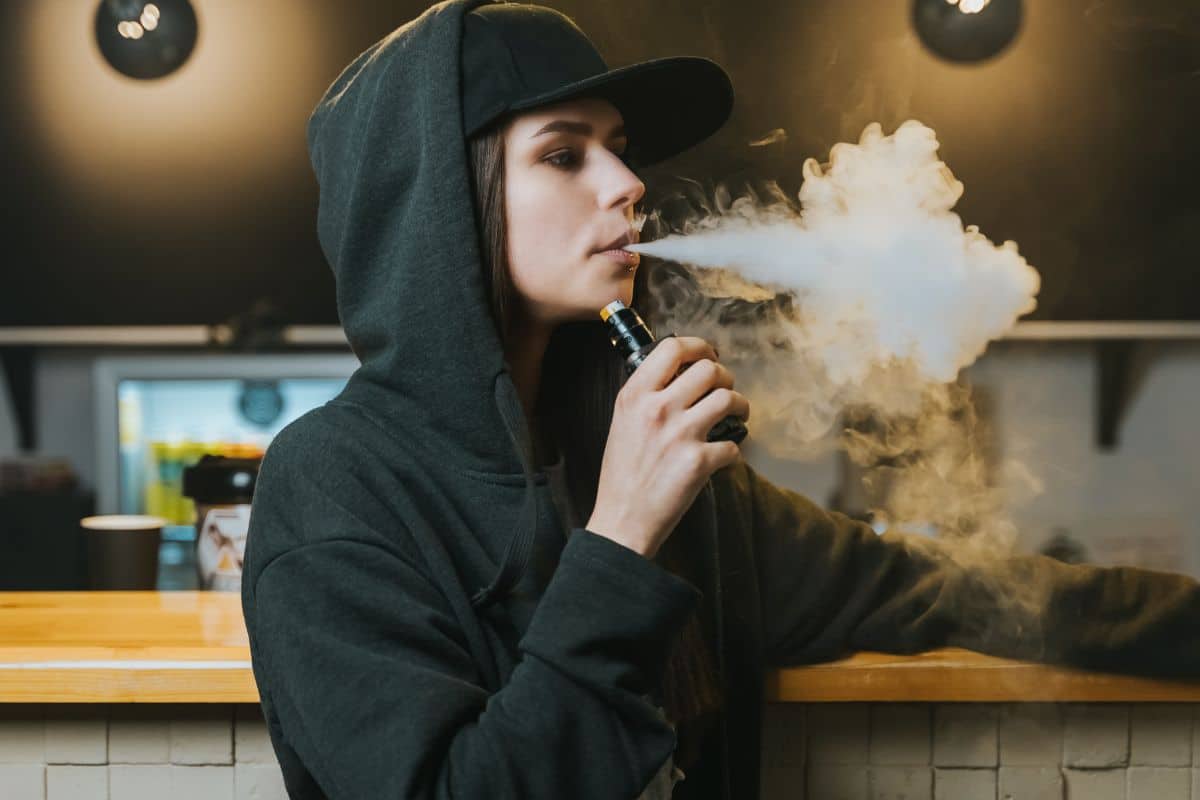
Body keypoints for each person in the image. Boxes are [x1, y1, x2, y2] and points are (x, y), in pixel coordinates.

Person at [240, 2, 1200, 799]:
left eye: (619, 149)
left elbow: (938, 592)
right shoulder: (334, 485)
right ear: (439, 205)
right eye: (564, 155)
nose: (628, 183)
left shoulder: (668, 475)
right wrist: (620, 541)